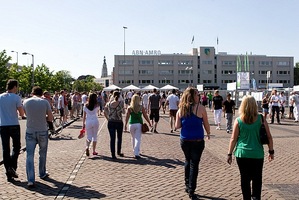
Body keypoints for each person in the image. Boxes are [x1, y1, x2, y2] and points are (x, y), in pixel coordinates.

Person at [227, 95, 274, 200]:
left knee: (245, 179)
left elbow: (233, 139)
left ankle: (246, 198)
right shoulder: (261, 118)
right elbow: (269, 137)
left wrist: (229, 153)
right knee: (257, 179)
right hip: (257, 153)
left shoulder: (239, 120)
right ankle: (256, 197)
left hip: (242, 153)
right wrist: (271, 151)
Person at [175, 87, 210, 199]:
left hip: (185, 140)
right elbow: (206, 123)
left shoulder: (181, 109)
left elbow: (177, 126)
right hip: (197, 140)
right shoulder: (200, 108)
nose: (199, 96)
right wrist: (208, 133)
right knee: (194, 164)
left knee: (187, 161)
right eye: (197, 94)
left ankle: (187, 185)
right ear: (193, 96)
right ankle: (191, 189)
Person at [23, 86, 54, 188]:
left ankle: (31, 180)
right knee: (43, 153)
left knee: (29, 155)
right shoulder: (45, 102)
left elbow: (23, 115)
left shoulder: (26, 102)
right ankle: (42, 172)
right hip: (42, 130)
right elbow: (50, 118)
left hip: (30, 131)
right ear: (41, 94)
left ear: (32, 93)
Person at [0, 79, 25, 182]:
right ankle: (12, 167)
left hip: (2, 125)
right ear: (14, 87)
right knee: (16, 147)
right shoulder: (16, 97)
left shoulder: (0, 96)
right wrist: (22, 114)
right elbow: (21, 112)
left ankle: (8, 172)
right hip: (14, 124)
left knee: (6, 149)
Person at [125, 94, 151, 159]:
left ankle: (135, 150)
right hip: (139, 124)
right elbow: (145, 115)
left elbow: (127, 117)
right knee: (138, 138)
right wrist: (149, 122)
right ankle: (136, 153)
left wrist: (125, 124)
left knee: (133, 137)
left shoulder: (129, 108)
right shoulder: (141, 107)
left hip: (131, 124)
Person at [104, 91, 125, 159]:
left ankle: (113, 154)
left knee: (112, 139)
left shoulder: (108, 104)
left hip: (111, 122)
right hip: (119, 121)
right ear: (119, 96)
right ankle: (118, 152)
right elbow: (124, 112)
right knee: (119, 138)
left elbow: (105, 112)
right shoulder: (121, 103)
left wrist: (108, 118)